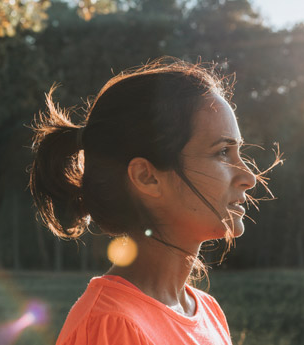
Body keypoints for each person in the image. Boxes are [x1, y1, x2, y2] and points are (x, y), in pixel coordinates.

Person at [28, 57, 269, 344]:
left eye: (238, 152)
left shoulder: (209, 312)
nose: (249, 177)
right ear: (147, 177)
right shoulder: (111, 326)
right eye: (222, 153)